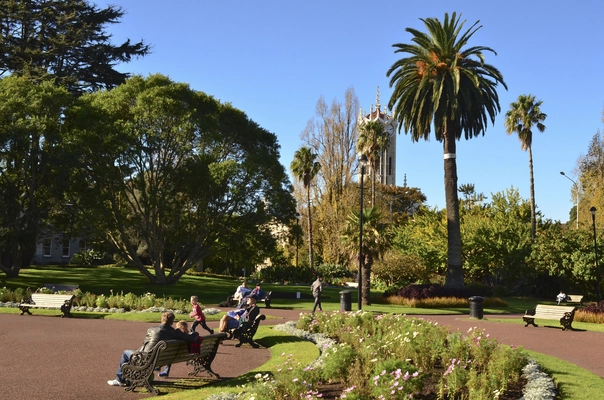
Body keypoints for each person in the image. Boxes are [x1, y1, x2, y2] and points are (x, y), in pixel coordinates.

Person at [107, 311, 199, 386]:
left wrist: (137, 352)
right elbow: (192, 338)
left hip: (146, 358)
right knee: (133, 354)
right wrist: (195, 333)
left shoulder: (152, 329)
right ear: (172, 322)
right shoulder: (176, 332)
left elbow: (144, 345)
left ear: (162, 320)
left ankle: (119, 379)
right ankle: (130, 377)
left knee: (125, 353)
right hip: (161, 359)